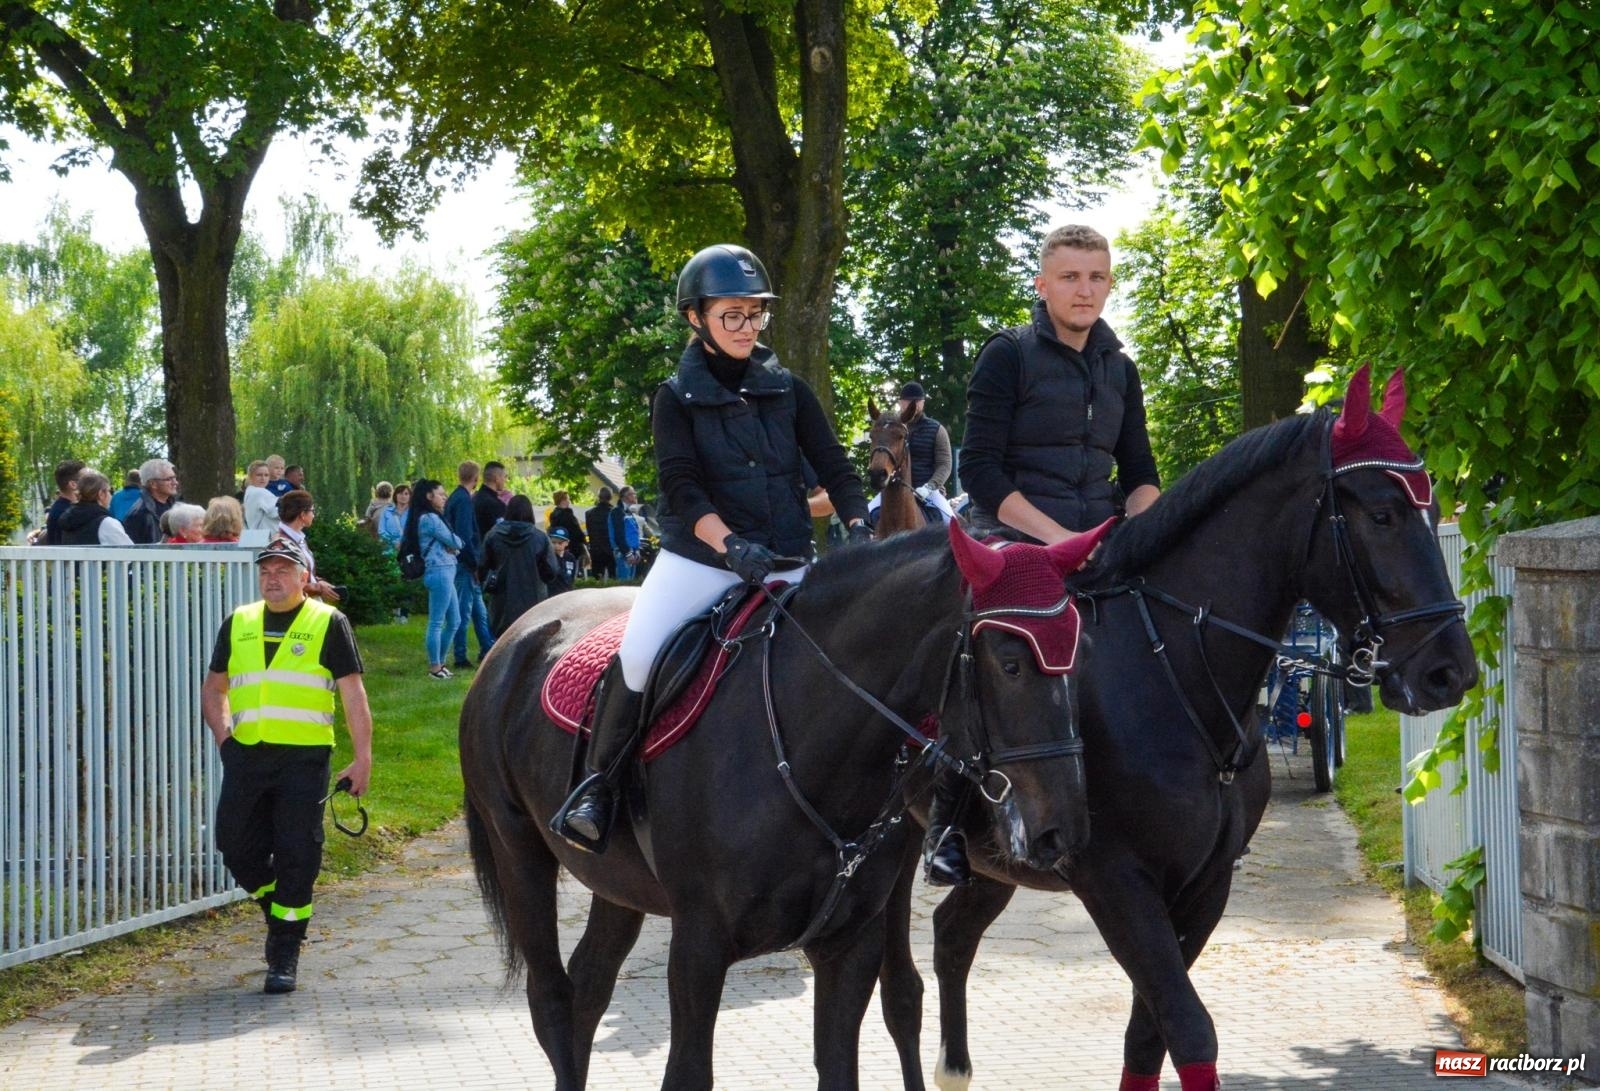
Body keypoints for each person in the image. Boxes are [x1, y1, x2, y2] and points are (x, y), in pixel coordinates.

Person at [550, 243, 871, 853]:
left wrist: (857, 524)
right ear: (696, 318)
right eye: (733, 315)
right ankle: (599, 787)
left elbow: (834, 465)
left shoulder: (791, 391)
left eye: (756, 315)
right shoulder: (674, 397)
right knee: (641, 654)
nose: (747, 328)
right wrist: (730, 546)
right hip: (701, 561)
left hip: (788, 562)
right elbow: (682, 488)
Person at [921, 223, 1164, 887]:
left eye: (1096, 277)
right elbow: (984, 472)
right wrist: (1060, 542)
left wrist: (1135, 532)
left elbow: (1141, 471)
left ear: (1109, 283)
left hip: (1097, 544)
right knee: (971, 654)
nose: (1085, 289)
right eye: (1070, 277)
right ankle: (944, 824)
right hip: (1016, 541)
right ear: (1042, 284)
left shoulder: (1121, 367)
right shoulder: (1009, 355)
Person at [200, 539, 373, 995]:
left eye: (283, 570)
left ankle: (284, 951)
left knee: (298, 852)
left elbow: (353, 694)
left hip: (304, 758)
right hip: (247, 755)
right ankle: (278, 904)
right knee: (233, 843)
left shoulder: (327, 622)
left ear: (303, 578)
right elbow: (214, 688)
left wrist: (362, 758)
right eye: (266, 571)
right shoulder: (238, 622)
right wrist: (225, 738)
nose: (273, 577)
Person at [401, 477, 463, 679]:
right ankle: (434, 667)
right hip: (439, 571)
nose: (445, 497)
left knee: (455, 620)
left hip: (445, 571)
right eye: (441, 494)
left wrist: (453, 545)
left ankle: (441, 662)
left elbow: (453, 544)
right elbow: (456, 542)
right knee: (437, 621)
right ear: (429, 496)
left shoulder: (428, 518)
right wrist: (453, 545)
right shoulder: (430, 519)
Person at [479, 495, 557, 637]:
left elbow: (482, 566)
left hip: (502, 603)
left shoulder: (493, 535)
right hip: (533, 602)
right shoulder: (540, 538)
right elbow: (551, 571)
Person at [443, 461, 495, 669]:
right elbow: (465, 534)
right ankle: (460, 655)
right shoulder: (464, 500)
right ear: (476, 478)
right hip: (465, 564)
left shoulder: (454, 498)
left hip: (461, 562)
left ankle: (488, 648)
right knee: (464, 612)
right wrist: (475, 564)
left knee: (479, 611)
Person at [272, 490, 341, 603]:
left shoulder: (298, 538)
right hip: (294, 606)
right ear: (303, 515)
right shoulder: (281, 543)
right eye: (312, 511)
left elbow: (304, 573)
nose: (313, 515)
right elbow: (287, 582)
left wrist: (318, 581)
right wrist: (318, 588)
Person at [896, 381, 954, 494]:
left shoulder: (937, 430)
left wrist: (930, 487)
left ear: (923, 403)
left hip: (929, 492)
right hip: (896, 490)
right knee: (869, 510)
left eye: (917, 401)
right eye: (909, 401)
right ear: (900, 403)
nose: (913, 404)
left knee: (945, 512)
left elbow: (944, 465)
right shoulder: (892, 428)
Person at [59, 470, 135, 546]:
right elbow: (131, 554)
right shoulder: (107, 524)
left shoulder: (68, 520)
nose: (111, 495)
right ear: (101, 494)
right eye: (109, 491)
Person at [123, 458, 180, 544]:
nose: (175, 483)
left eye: (175, 478)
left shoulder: (177, 508)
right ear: (153, 484)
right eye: (169, 479)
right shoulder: (139, 514)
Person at [44, 459, 86, 545]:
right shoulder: (67, 513)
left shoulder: (60, 508)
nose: (91, 483)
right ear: (73, 484)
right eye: (87, 480)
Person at [547, 491, 588, 574]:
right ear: (563, 500)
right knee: (573, 570)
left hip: (558, 547)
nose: (569, 501)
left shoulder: (553, 515)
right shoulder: (568, 515)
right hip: (572, 547)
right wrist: (584, 541)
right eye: (568, 499)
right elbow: (576, 532)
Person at [584, 487, 617, 580]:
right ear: (610, 497)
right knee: (614, 578)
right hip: (611, 549)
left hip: (596, 549)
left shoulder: (589, 513)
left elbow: (589, 531)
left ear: (598, 497)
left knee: (597, 579)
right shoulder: (615, 512)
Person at [474, 461, 509, 541]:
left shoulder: (474, 499)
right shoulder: (496, 505)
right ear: (497, 478)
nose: (505, 480)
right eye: (504, 476)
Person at [242, 461, 279, 532]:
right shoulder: (260, 492)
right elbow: (280, 513)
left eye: (266, 475)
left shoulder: (249, 492)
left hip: (256, 535)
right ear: (250, 476)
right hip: (268, 537)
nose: (263, 478)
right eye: (259, 475)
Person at [547, 527, 580, 593]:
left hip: (567, 592)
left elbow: (572, 577)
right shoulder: (548, 557)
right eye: (553, 542)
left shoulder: (570, 557)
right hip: (551, 594)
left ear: (567, 543)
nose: (556, 545)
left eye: (560, 543)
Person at [378, 483, 409, 552]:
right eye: (400, 493)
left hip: (408, 551)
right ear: (395, 495)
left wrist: (404, 543)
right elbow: (381, 531)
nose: (403, 496)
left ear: (410, 496)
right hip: (389, 550)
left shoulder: (413, 513)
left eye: (406, 494)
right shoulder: (386, 511)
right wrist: (393, 542)